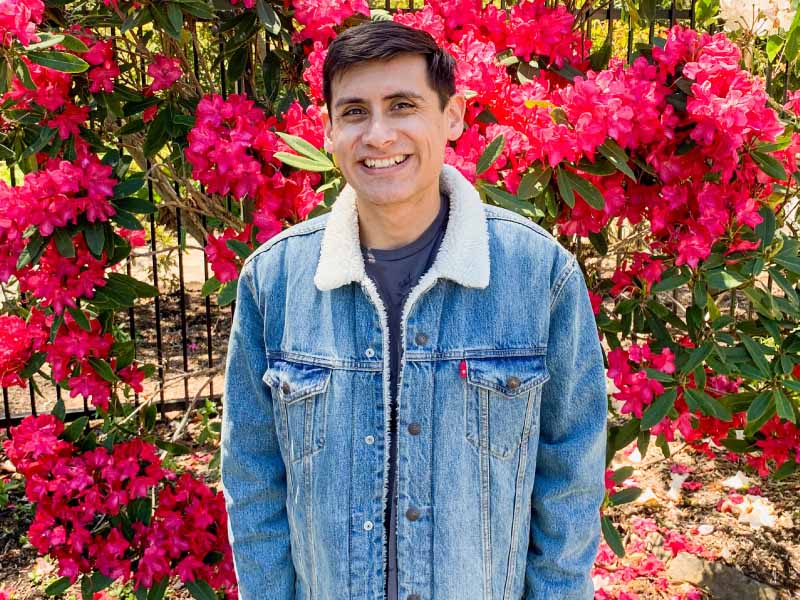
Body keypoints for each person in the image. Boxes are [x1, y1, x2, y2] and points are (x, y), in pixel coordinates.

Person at [220, 19, 607, 600]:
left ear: (451, 116)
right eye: (354, 112)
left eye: (402, 105)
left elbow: (571, 479)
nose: (378, 134)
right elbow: (252, 478)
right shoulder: (274, 282)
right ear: (327, 130)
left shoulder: (539, 275)